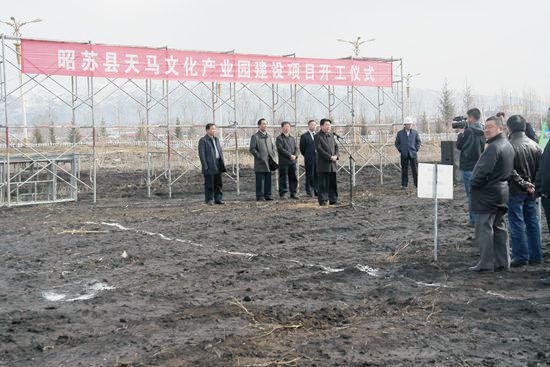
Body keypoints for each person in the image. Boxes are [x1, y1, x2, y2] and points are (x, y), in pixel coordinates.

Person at [469, 116, 515, 272]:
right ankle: (503, 261)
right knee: (499, 227)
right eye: (485, 126)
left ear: (500, 129)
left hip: (487, 194)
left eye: (491, 127)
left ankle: (486, 263)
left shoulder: (494, 147)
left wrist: (473, 184)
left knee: (484, 228)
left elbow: (482, 171)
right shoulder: (507, 144)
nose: (486, 130)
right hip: (501, 191)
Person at [507, 115, 543, 268]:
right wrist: (533, 184)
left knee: (517, 223)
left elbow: (509, 170)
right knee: (532, 222)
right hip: (532, 190)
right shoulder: (535, 145)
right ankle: (536, 255)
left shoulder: (508, 146)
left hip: (516, 190)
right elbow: (541, 169)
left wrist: (523, 183)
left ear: (509, 128)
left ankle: (521, 256)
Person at [456, 108, 486, 226]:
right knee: (478, 193)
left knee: (471, 194)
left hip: (468, 166)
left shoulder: (469, 131)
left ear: (472, 118)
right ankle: (478, 219)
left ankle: (473, 220)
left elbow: (460, 146)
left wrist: (460, 134)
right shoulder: (483, 129)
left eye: (468, 117)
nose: (467, 120)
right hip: (479, 165)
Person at [198, 123, 226, 205]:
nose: (214, 130)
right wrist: (205, 165)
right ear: (207, 130)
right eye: (212, 129)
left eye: (215, 129)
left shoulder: (216, 139)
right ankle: (209, 199)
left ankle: (218, 199)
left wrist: (222, 162)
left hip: (218, 164)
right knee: (209, 184)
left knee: (218, 183)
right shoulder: (203, 140)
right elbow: (202, 154)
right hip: (209, 165)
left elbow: (220, 151)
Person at [249, 118, 277, 201]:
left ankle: (268, 195)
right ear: (259, 125)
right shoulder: (255, 136)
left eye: (266, 124)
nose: (265, 125)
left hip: (268, 161)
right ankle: (260, 196)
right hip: (260, 162)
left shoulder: (268, 136)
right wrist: (259, 156)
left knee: (268, 179)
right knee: (260, 180)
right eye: (263, 124)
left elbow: (272, 147)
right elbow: (252, 149)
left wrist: (272, 154)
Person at [315, 118, 339, 206]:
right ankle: (323, 200)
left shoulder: (331, 135)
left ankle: (333, 199)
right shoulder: (318, 136)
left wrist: (336, 156)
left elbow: (336, 147)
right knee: (323, 183)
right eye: (326, 125)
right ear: (321, 126)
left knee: (333, 183)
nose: (328, 126)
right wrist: (329, 157)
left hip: (333, 164)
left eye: (329, 125)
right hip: (323, 164)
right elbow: (319, 149)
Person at [394, 117, 421, 189]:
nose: (409, 125)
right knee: (404, 170)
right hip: (404, 154)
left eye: (410, 124)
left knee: (415, 170)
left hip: (413, 154)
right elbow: (397, 143)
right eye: (408, 124)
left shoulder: (415, 133)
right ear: (404, 125)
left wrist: (416, 149)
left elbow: (418, 142)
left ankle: (417, 184)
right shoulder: (400, 133)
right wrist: (401, 150)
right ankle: (404, 185)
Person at [276, 121, 299, 199]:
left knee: (293, 178)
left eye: (288, 126)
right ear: (282, 128)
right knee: (283, 178)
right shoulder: (279, 138)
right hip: (284, 162)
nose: (287, 128)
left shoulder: (292, 138)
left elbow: (296, 148)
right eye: (285, 126)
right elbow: (280, 149)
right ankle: (283, 193)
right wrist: (290, 155)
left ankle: (293, 193)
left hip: (292, 162)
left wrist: (295, 155)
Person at [299, 120, 317, 197]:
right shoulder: (304, 136)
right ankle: (309, 190)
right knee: (310, 174)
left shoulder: (318, 135)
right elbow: (302, 148)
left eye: (315, 125)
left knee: (317, 175)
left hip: (318, 159)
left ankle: (317, 190)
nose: (314, 126)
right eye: (312, 125)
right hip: (309, 158)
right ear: (309, 126)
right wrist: (307, 155)